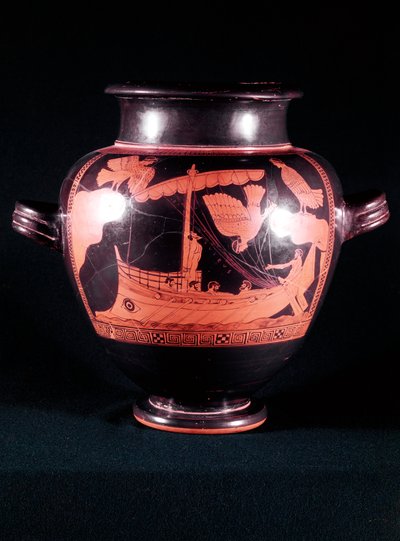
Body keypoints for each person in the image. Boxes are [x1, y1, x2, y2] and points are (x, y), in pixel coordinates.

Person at [265, 249, 307, 315]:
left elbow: (283, 266)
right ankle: (300, 311)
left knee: (291, 294)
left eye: (296, 253)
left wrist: (272, 266)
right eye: (295, 253)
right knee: (295, 294)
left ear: (299, 254)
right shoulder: (299, 261)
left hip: (292, 279)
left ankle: (299, 312)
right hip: (294, 279)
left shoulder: (296, 261)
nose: (294, 255)